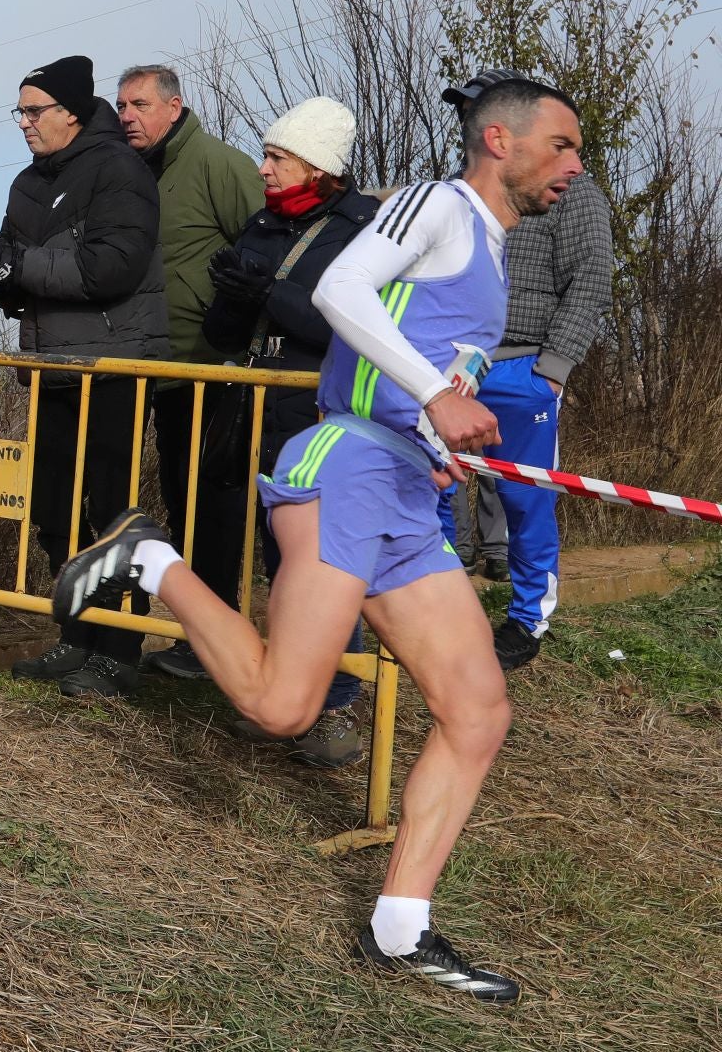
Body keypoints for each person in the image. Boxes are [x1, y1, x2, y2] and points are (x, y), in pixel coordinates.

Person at [54, 80, 584, 1000]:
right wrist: (436, 396)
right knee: (280, 707)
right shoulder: (438, 204)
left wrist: (439, 435)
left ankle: (401, 928)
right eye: (565, 146)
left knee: (478, 709)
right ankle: (149, 558)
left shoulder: (494, 249)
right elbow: (339, 286)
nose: (577, 165)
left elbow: (423, 356)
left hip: (405, 493)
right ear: (500, 139)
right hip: (346, 469)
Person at [0, 55, 167, 697]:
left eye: (33, 110)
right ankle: (77, 636)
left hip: (113, 366)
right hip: (51, 365)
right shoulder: (27, 181)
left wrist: (15, 266)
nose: (23, 122)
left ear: (71, 112)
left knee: (112, 512)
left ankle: (119, 650)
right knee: (53, 509)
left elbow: (111, 269)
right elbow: (24, 275)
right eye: (19, 110)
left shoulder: (119, 171)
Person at [199, 96, 378, 767]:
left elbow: (348, 326)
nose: (263, 168)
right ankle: (287, 694)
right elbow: (219, 332)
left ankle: (336, 707)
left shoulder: (364, 230)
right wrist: (234, 297)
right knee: (278, 564)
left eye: (277, 157)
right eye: (266, 154)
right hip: (257, 410)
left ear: (319, 166)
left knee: (325, 567)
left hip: (323, 415)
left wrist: (267, 292)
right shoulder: (261, 226)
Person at [439, 70, 615, 671]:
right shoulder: (456, 192)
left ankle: (526, 619)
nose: (467, 119)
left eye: (476, 108)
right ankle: (440, 608)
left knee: (526, 499)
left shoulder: (575, 191)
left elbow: (590, 279)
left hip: (527, 368)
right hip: (458, 365)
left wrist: (553, 371)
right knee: (428, 481)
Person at [117, 64, 263, 678]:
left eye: (140, 104)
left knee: (213, 504)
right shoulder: (128, 171)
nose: (127, 115)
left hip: (210, 368)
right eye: (121, 104)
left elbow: (263, 251)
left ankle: (216, 635)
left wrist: (240, 337)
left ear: (174, 107)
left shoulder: (217, 164)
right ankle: (173, 631)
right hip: (148, 363)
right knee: (174, 498)